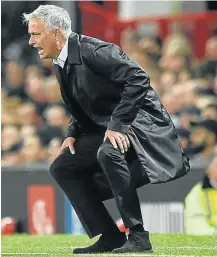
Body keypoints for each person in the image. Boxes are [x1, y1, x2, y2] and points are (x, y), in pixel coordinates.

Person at [23, 5, 190, 254]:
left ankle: (138, 236)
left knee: (107, 152)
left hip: (142, 125)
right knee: (62, 166)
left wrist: (118, 125)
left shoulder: (96, 51)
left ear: (56, 34)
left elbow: (139, 78)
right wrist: (72, 134)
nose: (30, 41)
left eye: (36, 34)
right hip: (112, 126)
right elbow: (85, 103)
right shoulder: (61, 60)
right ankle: (110, 236)